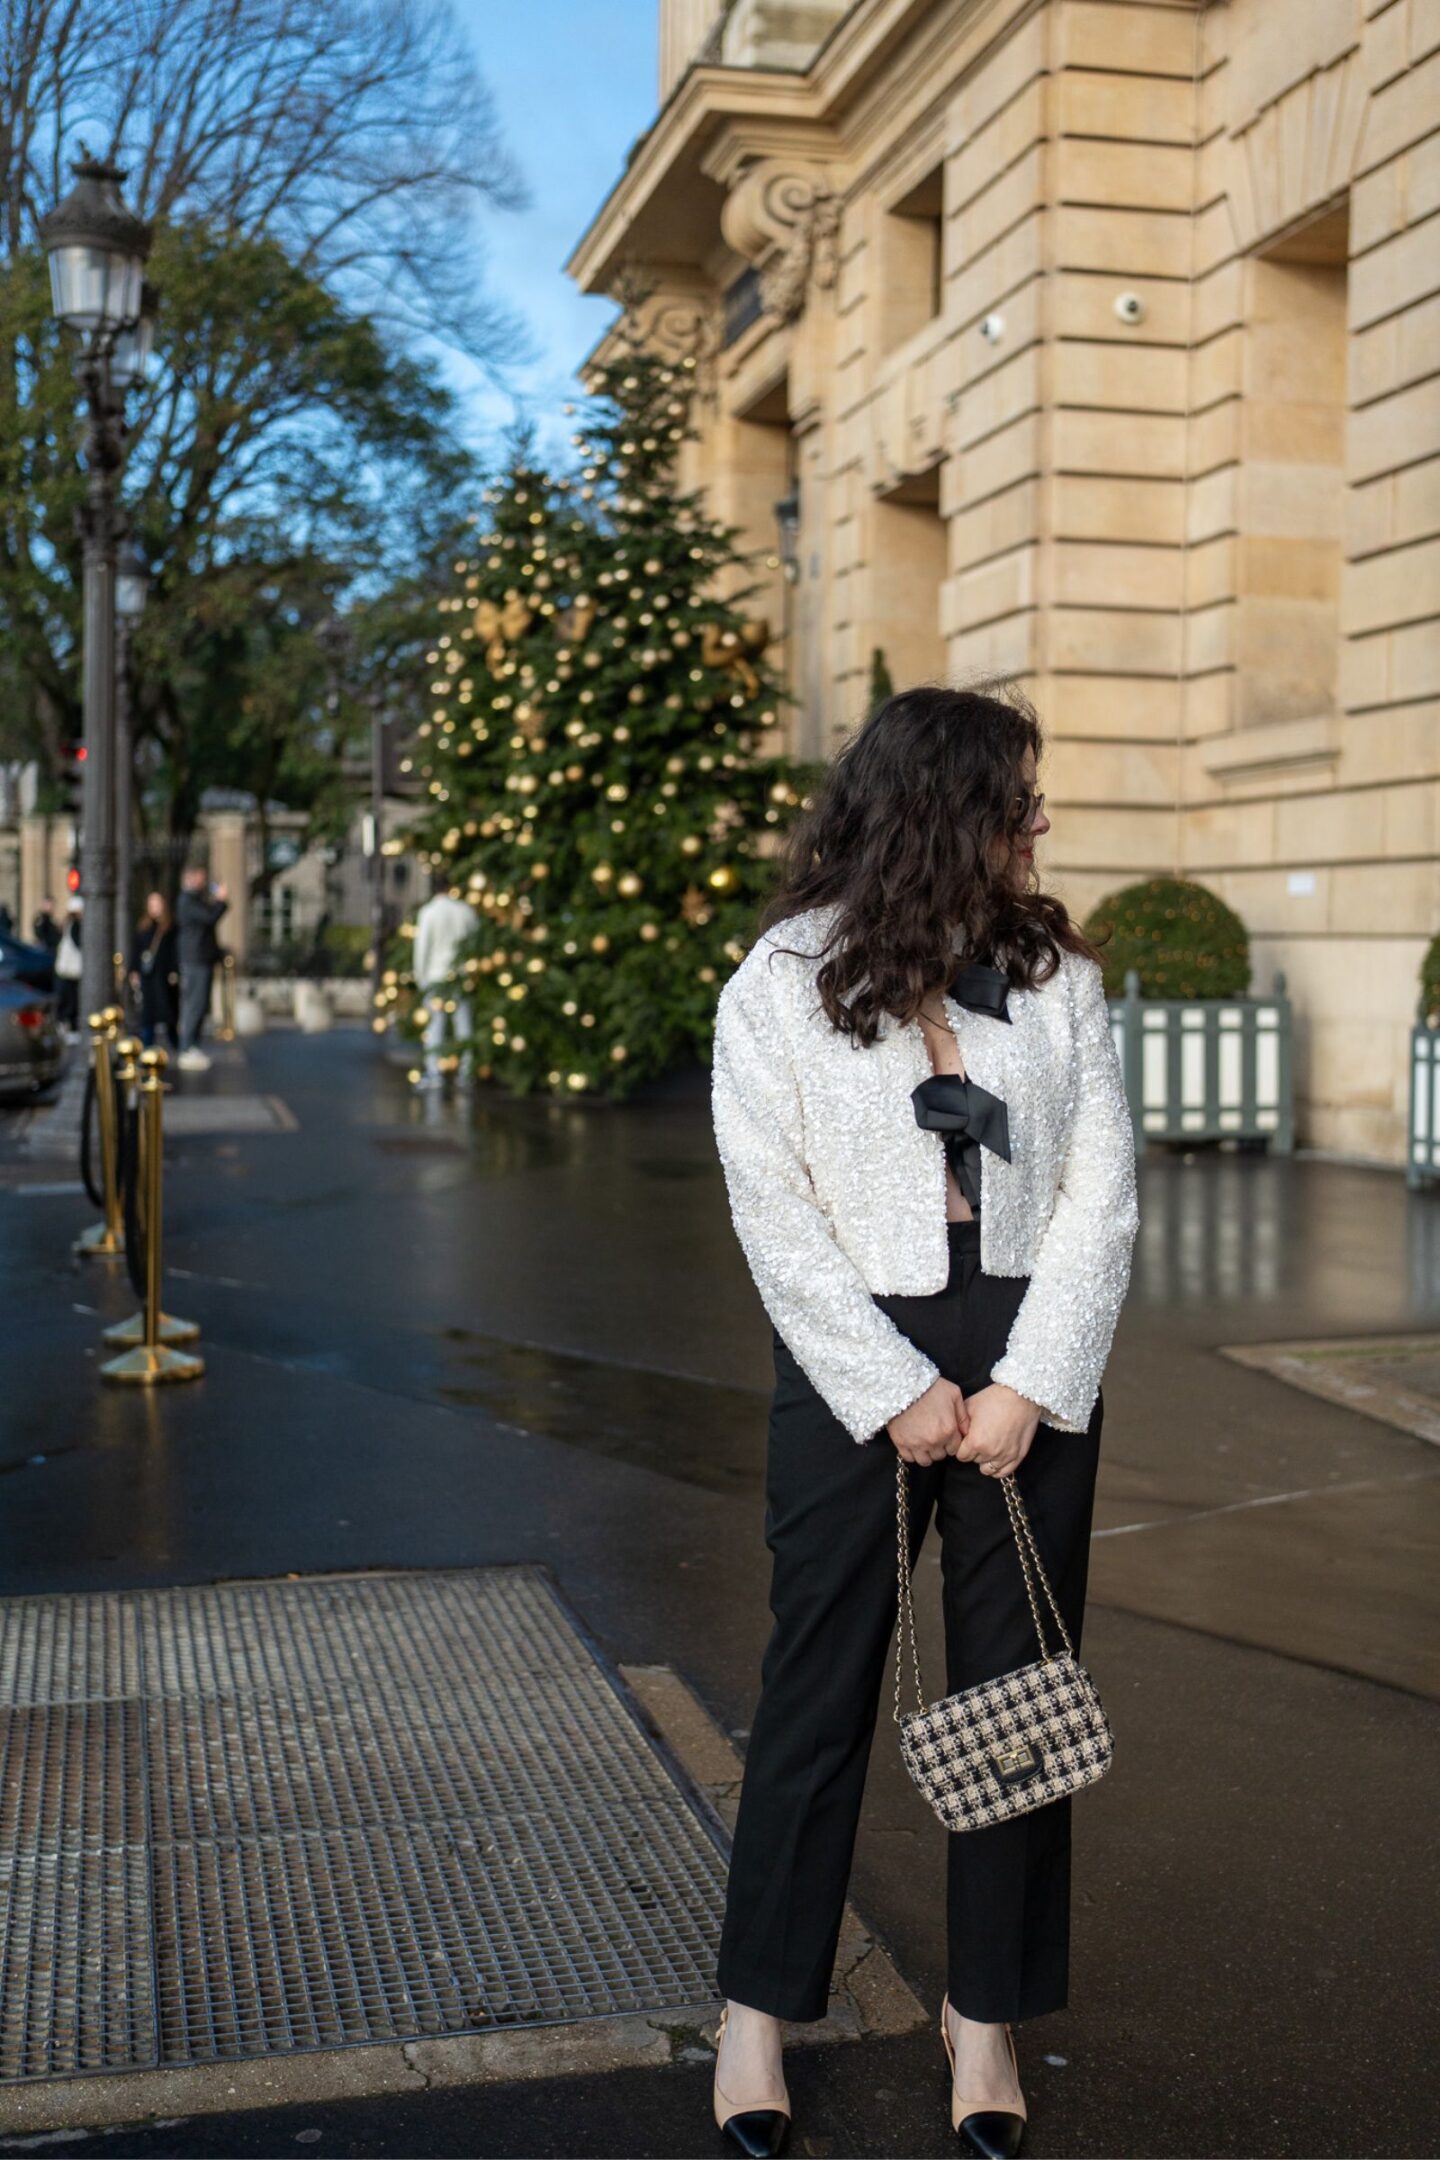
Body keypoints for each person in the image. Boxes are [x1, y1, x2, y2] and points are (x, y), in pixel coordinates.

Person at [707, 683, 1139, 2159]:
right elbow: (772, 1208)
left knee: (1013, 1705)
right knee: (818, 1689)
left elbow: (1102, 1189)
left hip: (1025, 1349)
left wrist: (1031, 1381)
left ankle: (987, 2017)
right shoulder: (782, 977)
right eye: (1016, 801)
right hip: (856, 1360)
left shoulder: (1057, 977)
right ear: (942, 810)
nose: (1038, 825)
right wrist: (892, 1389)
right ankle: (758, 2011)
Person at [412, 877, 479, 1088]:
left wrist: (420, 976)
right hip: (460, 974)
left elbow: (422, 948)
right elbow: (475, 941)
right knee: (464, 1025)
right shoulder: (466, 911)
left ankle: (434, 1073)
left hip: (436, 974)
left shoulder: (429, 912)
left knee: (435, 1026)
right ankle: (466, 1071)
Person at [175, 864, 228, 1072]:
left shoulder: (194, 899)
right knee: (194, 1005)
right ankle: (187, 1047)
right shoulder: (187, 900)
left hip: (200, 958)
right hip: (194, 959)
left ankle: (192, 1045)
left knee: (198, 1004)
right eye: (201, 877)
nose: (204, 882)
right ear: (192, 877)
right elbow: (209, 918)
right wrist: (221, 901)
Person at [128, 892, 180, 1049]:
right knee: (148, 1013)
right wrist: (134, 970)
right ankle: (147, 1043)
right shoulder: (144, 927)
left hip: (163, 976)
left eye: (157, 904)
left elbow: (174, 951)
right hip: (148, 976)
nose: (155, 908)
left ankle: (175, 1042)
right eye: (152, 905)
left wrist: (174, 970)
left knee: (169, 1011)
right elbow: (137, 950)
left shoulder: (170, 927)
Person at [53, 897, 84, 1033]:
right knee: (71, 1000)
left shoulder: (67, 924)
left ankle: (66, 1023)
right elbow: (78, 944)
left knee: (68, 998)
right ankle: (69, 1025)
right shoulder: (74, 925)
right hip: (71, 970)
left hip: (66, 968)